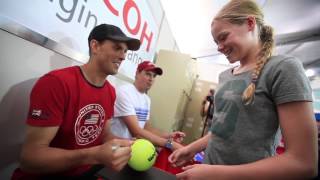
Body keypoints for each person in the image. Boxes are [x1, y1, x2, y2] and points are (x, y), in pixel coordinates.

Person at [168, 0, 318, 179]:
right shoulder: (225, 75)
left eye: (223, 37)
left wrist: (216, 174)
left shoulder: (282, 69)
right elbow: (222, 131)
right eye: (216, 42)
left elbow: (303, 163)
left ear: (250, 23)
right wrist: (191, 149)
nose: (219, 47)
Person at [12, 24, 141, 179]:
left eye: (125, 51)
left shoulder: (110, 91)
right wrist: (93, 155)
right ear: (95, 46)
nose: (123, 56)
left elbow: (104, 135)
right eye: (117, 48)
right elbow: (30, 159)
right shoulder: (56, 83)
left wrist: (128, 144)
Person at [110, 61, 185, 151]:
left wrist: (169, 136)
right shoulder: (124, 92)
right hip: (117, 149)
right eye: (148, 74)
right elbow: (137, 132)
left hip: (134, 150)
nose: (151, 79)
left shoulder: (146, 99)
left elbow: (146, 128)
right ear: (137, 73)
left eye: (154, 76)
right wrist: (169, 144)